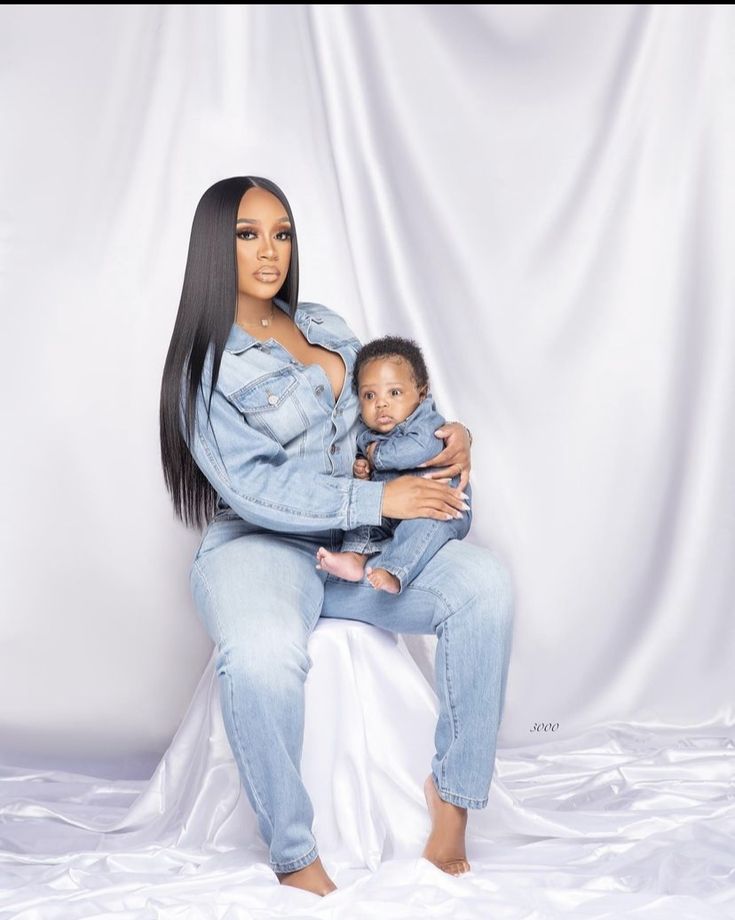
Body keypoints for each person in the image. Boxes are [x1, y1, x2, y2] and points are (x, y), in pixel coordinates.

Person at [159, 176, 515, 897]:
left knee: (485, 586)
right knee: (259, 658)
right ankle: (294, 853)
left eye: (282, 232)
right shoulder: (206, 364)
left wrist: (451, 434)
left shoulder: (325, 325)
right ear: (214, 247)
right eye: (248, 233)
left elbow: (395, 403)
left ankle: (453, 797)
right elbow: (257, 487)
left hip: (359, 546)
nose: (270, 251)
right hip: (260, 547)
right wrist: (379, 491)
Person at [315, 334, 472, 594]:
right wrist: (362, 468)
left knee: (421, 526)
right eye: (369, 396)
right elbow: (365, 468)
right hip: (393, 507)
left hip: (438, 503)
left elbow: (421, 449)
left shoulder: (425, 422)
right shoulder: (368, 433)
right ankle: (354, 557)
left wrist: (377, 457)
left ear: (421, 394)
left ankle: (395, 571)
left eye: (394, 392)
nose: (381, 403)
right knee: (363, 508)